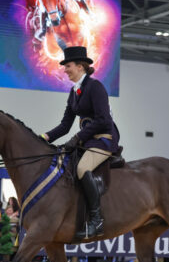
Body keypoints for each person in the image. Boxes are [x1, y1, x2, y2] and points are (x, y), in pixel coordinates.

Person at [41, 46, 120, 239]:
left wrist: (77, 138)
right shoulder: (73, 92)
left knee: (82, 168)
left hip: (104, 139)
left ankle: (96, 220)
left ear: (80, 66)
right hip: (87, 141)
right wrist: (44, 138)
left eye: (67, 66)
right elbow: (65, 125)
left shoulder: (96, 87)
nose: (65, 70)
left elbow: (103, 120)